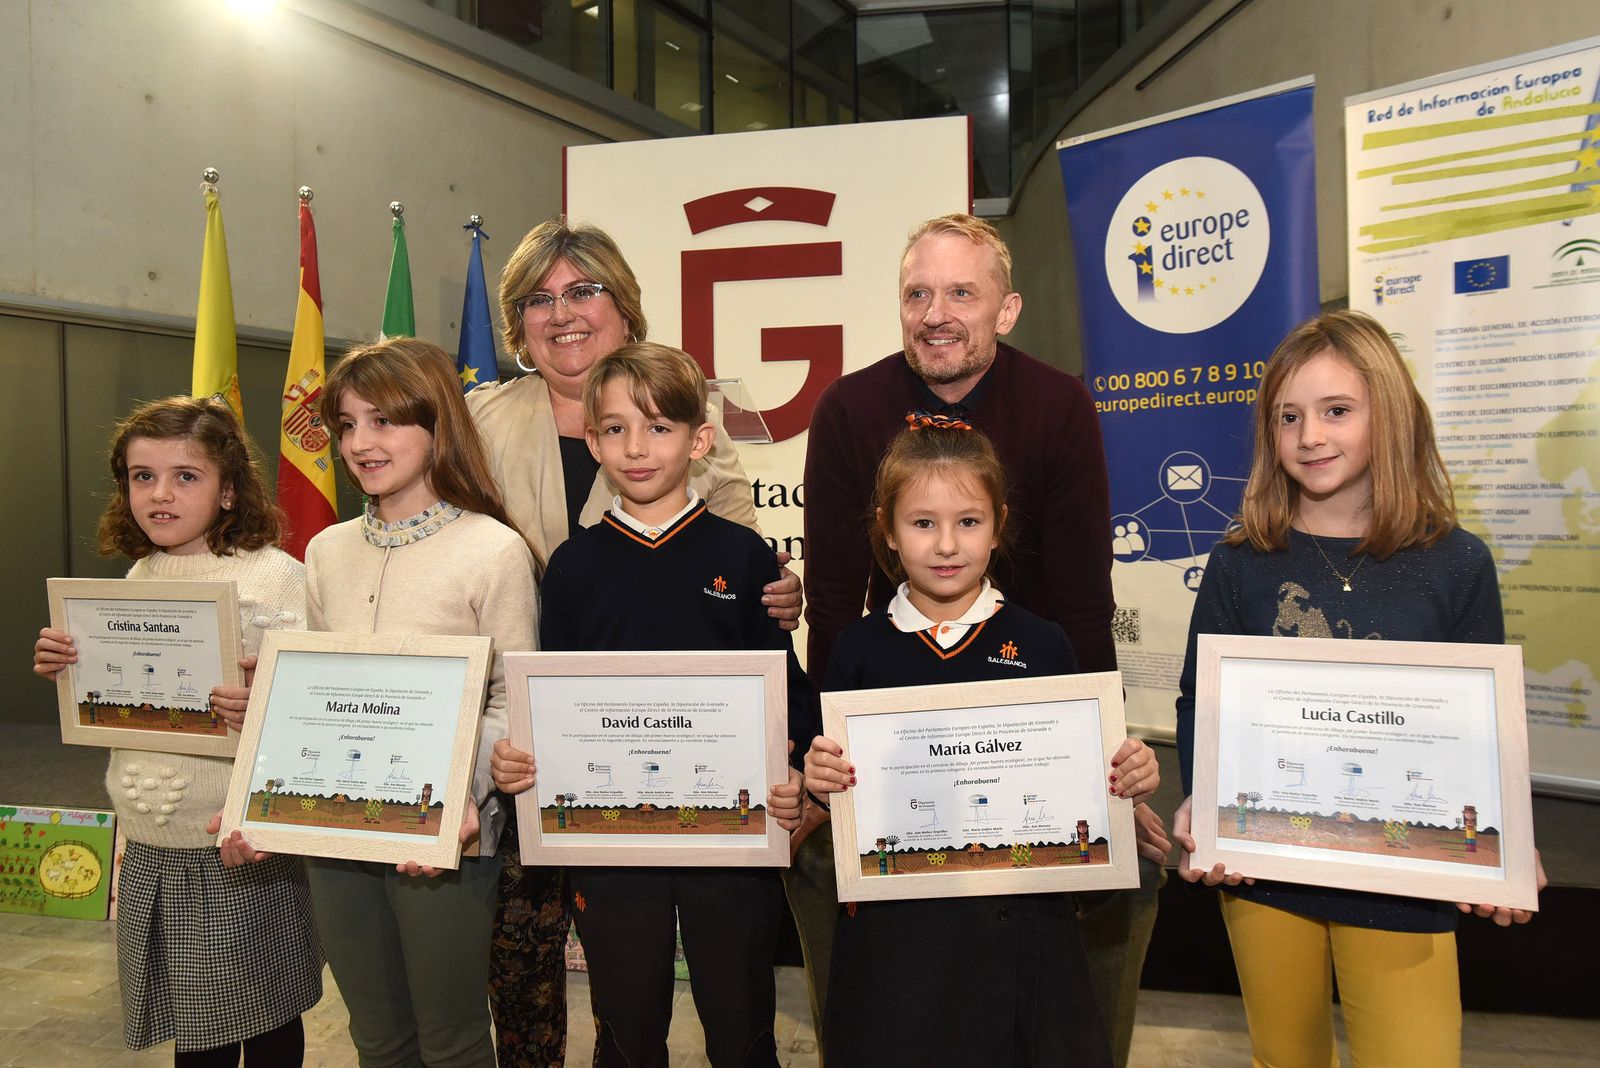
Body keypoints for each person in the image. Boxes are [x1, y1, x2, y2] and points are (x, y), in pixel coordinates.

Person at [799, 212, 1162, 1062]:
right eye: (918, 293)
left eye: (962, 292)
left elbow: (1082, 601)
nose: (937, 312)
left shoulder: (1060, 403)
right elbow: (832, 598)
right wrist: (822, 761)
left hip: (1030, 707)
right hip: (897, 717)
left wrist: (1107, 766)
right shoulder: (849, 407)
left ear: (1007, 309)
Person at [466, 219, 803, 1067]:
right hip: (590, 810)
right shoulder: (486, 436)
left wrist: (796, 769)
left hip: (724, 821)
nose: (563, 312)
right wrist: (517, 749)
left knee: (739, 1018)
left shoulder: (732, 541)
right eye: (541, 299)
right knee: (618, 1015)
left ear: (695, 438)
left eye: (584, 290)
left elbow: (758, 658)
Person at [1170, 310, 1545, 1067]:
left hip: (1405, 878)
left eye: (1337, 411)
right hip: (1266, 873)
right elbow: (1197, 703)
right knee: (1284, 1057)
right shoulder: (1241, 563)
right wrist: (1199, 802)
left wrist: (1511, 832)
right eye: (1290, 416)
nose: (1311, 435)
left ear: (1390, 415)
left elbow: (1485, 725)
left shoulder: (1456, 564)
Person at [222, 338, 539, 1067]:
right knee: (377, 1037)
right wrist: (261, 783)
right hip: (336, 834)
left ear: (438, 426)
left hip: (448, 835)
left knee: (453, 1039)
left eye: (385, 421)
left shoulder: (494, 550)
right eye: (346, 423)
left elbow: (509, 700)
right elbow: (316, 698)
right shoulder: (327, 551)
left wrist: (462, 793)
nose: (361, 443)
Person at [33, 396, 322, 1066]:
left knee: (264, 1010)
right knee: (195, 1027)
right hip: (153, 841)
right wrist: (74, 670)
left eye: (185, 476)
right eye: (142, 476)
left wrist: (262, 702)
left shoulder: (276, 578)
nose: (159, 494)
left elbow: (312, 711)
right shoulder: (139, 575)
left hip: (234, 840)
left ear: (228, 491)